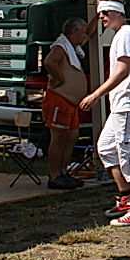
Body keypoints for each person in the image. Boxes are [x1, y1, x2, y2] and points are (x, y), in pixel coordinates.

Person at [80, 0, 130, 227]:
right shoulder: (122, 35)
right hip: (122, 105)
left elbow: (122, 71)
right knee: (106, 148)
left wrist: (95, 94)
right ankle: (126, 199)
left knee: (129, 154)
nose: (101, 16)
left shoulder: (126, 35)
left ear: (118, 13)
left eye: (105, 12)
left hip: (129, 105)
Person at [42, 17, 91, 190]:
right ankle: (54, 175)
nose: (85, 35)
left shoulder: (74, 48)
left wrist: (98, 17)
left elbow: (90, 32)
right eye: (82, 31)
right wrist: (59, 77)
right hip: (59, 98)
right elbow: (49, 61)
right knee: (58, 138)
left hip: (71, 103)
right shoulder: (61, 46)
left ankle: (64, 172)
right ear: (73, 31)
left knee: (72, 136)